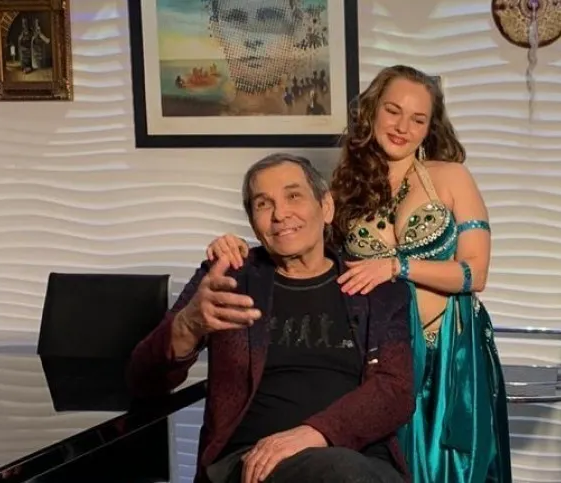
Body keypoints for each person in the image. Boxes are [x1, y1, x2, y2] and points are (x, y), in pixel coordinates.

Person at [206, 65, 512, 483]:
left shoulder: (452, 177)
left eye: (418, 119)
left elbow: (475, 273)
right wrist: (233, 246)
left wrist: (396, 266)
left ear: (429, 127)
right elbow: (301, 249)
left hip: (449, 351)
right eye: (393, 111)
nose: (402, 127)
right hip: (381, 356)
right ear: (371, 111)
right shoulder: (345, 188)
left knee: (456, 469)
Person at [128, 154, 415, 483]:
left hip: (359, 461)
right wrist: (187, 326)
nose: (280, 214)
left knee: (345, 470)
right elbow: (143, 381)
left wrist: (314, 433)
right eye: (263, 204)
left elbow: (395, 390)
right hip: (251, 462)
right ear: (253, 222)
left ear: (326, 207)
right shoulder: (229, 278)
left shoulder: (375, 289)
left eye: (294, 196)